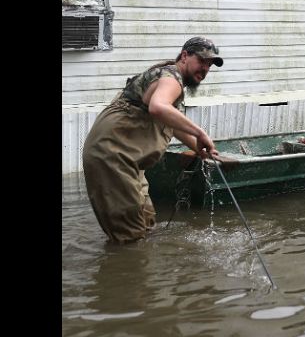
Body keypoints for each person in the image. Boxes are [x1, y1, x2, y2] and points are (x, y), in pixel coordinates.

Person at [82, 37, 223, 244]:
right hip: (112, 155)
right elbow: (158, 107)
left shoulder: (169, 79)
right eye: (202, 61)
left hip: (127, 158)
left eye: (209, 65)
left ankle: (134, 261)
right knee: (129, 236)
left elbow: (170, 122)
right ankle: (126, 263)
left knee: (146, 223)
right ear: (185, 56)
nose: (205, 69)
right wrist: (200, 133)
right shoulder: (171, 77)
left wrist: (200, 149)